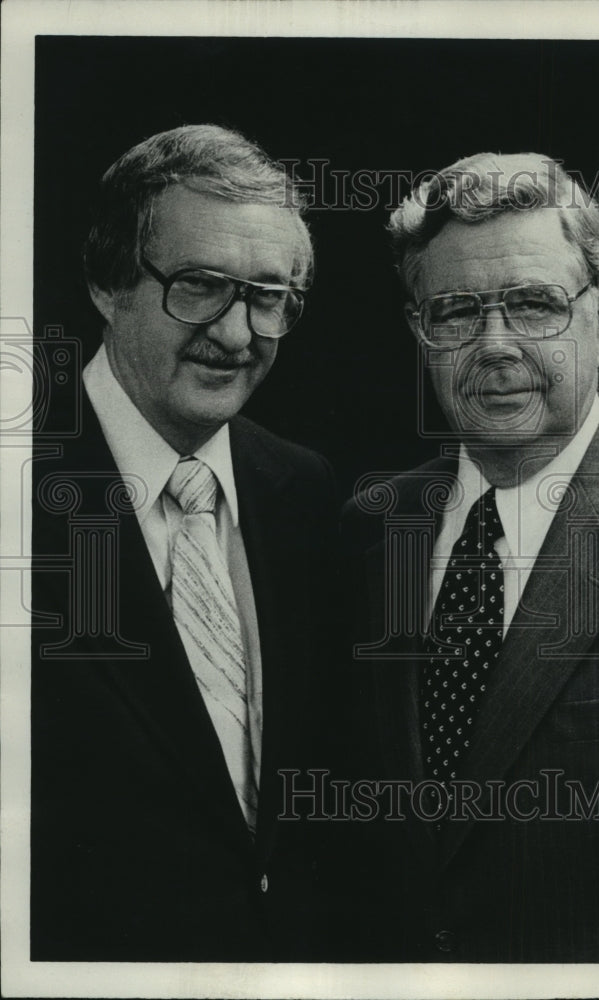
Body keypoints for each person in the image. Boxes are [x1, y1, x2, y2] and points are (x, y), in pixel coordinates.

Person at [341, 153, 599, 962]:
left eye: (532, 304)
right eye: (454, 311)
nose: (494, 345)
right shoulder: (363, 530)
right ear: (418, 327)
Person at [31, 124, 338, 961]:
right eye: (200, 287)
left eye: (268, 297)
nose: (237, 336)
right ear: (106, 281)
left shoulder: (308, 493)